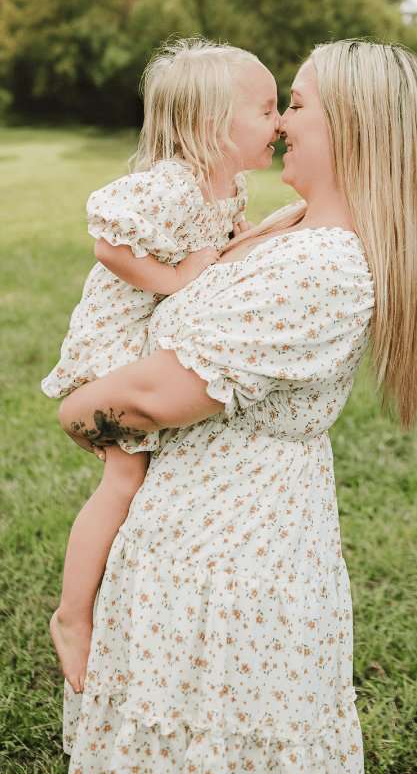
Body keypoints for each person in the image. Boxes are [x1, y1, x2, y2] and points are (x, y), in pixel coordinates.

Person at [57, 39, 417, 772]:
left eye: (295, 105)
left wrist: (77, 408)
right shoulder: (284, 224)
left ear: (354, 128)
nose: (281, 124)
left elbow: (152, 398)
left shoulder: (325, 264)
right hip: (188, 546)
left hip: (233, 560)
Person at [44, 38, 280, 694]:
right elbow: (109, 245)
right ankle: (73, 615)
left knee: (146, 484)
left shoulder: (226, 185)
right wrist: (175, 279)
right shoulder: (171, 184)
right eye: (265, 110)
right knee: (123, 479)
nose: (280, 122)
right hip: (114, 344)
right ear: (213, 127)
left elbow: (228, 243)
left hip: (146, 341)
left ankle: (132, 600)